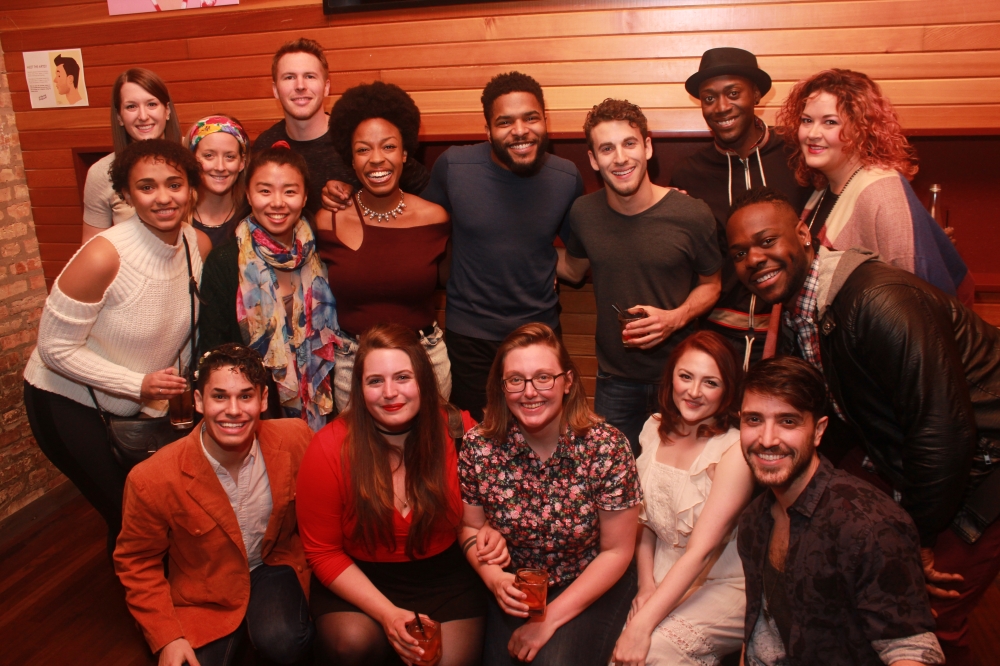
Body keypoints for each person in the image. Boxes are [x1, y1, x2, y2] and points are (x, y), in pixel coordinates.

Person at [726, 187, 1000, 665]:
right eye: (739, 253)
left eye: (766, 241)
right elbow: (839, 417)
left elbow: (943, 429)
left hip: (982, 468)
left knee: (929, 615)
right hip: (914, 459)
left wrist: (919, 537)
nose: (753, 259)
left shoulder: (878, 300)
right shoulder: (801, 310)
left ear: (804, 234)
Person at [23, 139, 211, 557]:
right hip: (66, 401)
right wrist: (138, 385)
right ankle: (147, 596)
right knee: (130, 517)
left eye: (174, 184)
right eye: (146, 187)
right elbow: (54, 347)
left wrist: (161, 397)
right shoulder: (103, 256)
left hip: (133, 406)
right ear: (126, 194)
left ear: (191, 189)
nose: (163, 197)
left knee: (152, 510)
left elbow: (182, 331)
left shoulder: (197, 246)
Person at [296, 323, 505, 666]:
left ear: (424, 380)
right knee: (351, 644)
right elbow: (323, 552)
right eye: (375, 381)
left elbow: (501, 500)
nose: (390, 392)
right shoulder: (329, 448)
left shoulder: (460, 432)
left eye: (403, 377)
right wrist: (387, 613)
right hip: (359, 577)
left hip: (444, 578)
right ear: (359, 389)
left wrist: (492, 528)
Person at [114, 344, 315, 666]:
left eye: (245, 396)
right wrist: (167, 637)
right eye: (219, 396)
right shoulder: (151, 478)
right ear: (198, 401)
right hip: (203, 591)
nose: (233, 410)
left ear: (263, 399)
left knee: (285, 642)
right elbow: (137, 562)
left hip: (272, 564)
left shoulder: (295, 438)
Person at [736, 355, 944, 665]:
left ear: (818, 431)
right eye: (754, 420)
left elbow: (912, 651)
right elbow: (761, 632)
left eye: (788, 421)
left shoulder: (870, 526)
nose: (767, 439)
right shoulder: (754, 520)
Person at [460, 322, 642, 665]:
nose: (530, 392)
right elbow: (470, 527)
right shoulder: (479, 446)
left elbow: (617, 551)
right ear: (501, 387)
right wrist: (494, 578)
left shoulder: (606, 447)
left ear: (567, 381)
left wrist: (548, 621)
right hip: (515, 583)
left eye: (543, 377)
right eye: (516, 380)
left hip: (589, 579)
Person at [558, 98, 722, 452]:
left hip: (681, 379)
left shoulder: (691, 214)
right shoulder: (584, 213)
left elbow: (712, 285)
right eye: (607, 148)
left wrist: (674, 319)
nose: (620, 158)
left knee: (678, 477)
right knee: (614, 476)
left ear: (647, 147)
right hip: (614, 380)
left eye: (629, 143)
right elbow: (572, 267)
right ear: (593, 159)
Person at [422, 72, 585, 420]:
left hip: (539, 333)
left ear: (545, 121)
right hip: (470, 337)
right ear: (488, 130)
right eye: (505, 122)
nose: (520, 131)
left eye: (531, 118)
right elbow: (420, 227)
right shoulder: (454, 167)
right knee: (476, 436)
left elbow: (579, 253)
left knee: (541, 431)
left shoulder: (566, 176)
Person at [612, 330, 752, 666]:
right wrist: (646, 585)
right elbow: (645, 523)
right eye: (686, 376)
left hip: (721, 581)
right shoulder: (653, 427)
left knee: (652, 651)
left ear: (728, 389)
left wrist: (642, 625)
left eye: (710, 382)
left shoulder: (734, 450)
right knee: (613, 650)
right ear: (671, 376)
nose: (693, 391)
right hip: (660, 570)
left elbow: (701, 552)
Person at [775, 68, 974, 305]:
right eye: (807, 121)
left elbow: (914, 293)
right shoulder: (822, 188)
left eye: (830, 122)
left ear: (861, 130)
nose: (813, 133)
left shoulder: (882, 191)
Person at [314, 81, 452, 412]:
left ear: (404, 153)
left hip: (424, 360)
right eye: (363, 150)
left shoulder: (434, 218)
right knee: (356, 447)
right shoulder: (328, 220)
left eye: (388, 147)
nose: (377, 159)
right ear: (351, 159)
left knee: (432, 444)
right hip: (353, 363)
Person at [671, 48, 812, 364]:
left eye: (733, 93)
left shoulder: (796, 156)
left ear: (757, 95)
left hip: (790, 334)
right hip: (718, 338)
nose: (721, 107)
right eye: (709, 98)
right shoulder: (689, 174)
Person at [198, 145, 338, 431]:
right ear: (248, 195)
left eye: (289, 191)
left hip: (320, 408)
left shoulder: (323, 253)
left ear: (305, 197)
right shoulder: (225, 261)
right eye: (265, 191)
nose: (277, 203)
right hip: (250, 413)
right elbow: (213, 348)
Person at [254, 38, 430, 219]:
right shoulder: (265, 145)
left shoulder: (356, 137)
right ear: (275, 90)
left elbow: (426, 189)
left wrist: (357, 196)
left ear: (326, 87)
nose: (300, 86)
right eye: (289, 77)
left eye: (310, 76)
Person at [81, 68, 182, 243]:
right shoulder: (102, 172)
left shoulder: (195, 155)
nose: (143, 116)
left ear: (167, 110)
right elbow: (91, 246)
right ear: (119, 116)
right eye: (131, 107)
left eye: (151, 104)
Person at [186, 114, 251, 248]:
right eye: (209, 155)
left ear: (242, 163)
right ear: (191, 159)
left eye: (230, 157)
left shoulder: (251, 217)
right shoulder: (177, 216)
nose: (220, 167)